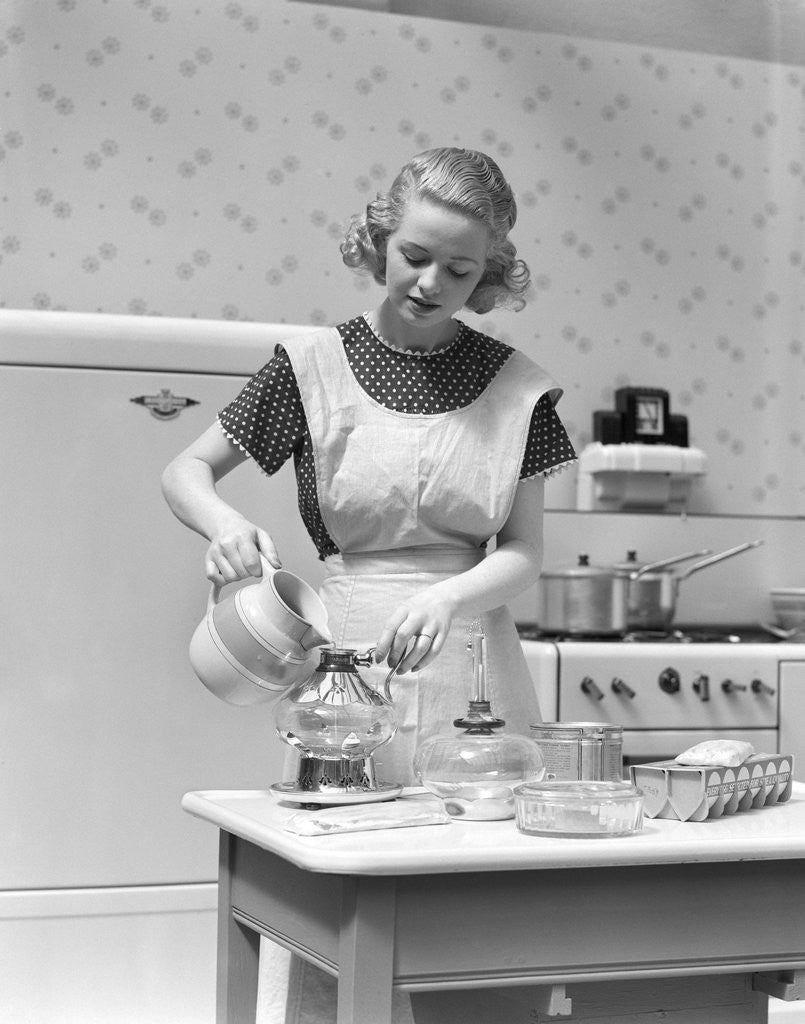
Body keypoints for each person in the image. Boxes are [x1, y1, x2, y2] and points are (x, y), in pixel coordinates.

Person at [162, 146, 576, 1023]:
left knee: (481, 904)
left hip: (474, 657)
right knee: (344, 902)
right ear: (379, 239)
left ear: (489, 270)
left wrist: (450, 597)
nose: (431, 282)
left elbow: (523, 551)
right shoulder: (310, 366)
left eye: (460, 269)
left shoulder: (518, 390)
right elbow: (185, 471)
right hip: (346, 669)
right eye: (415, 256)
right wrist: (224, 525)